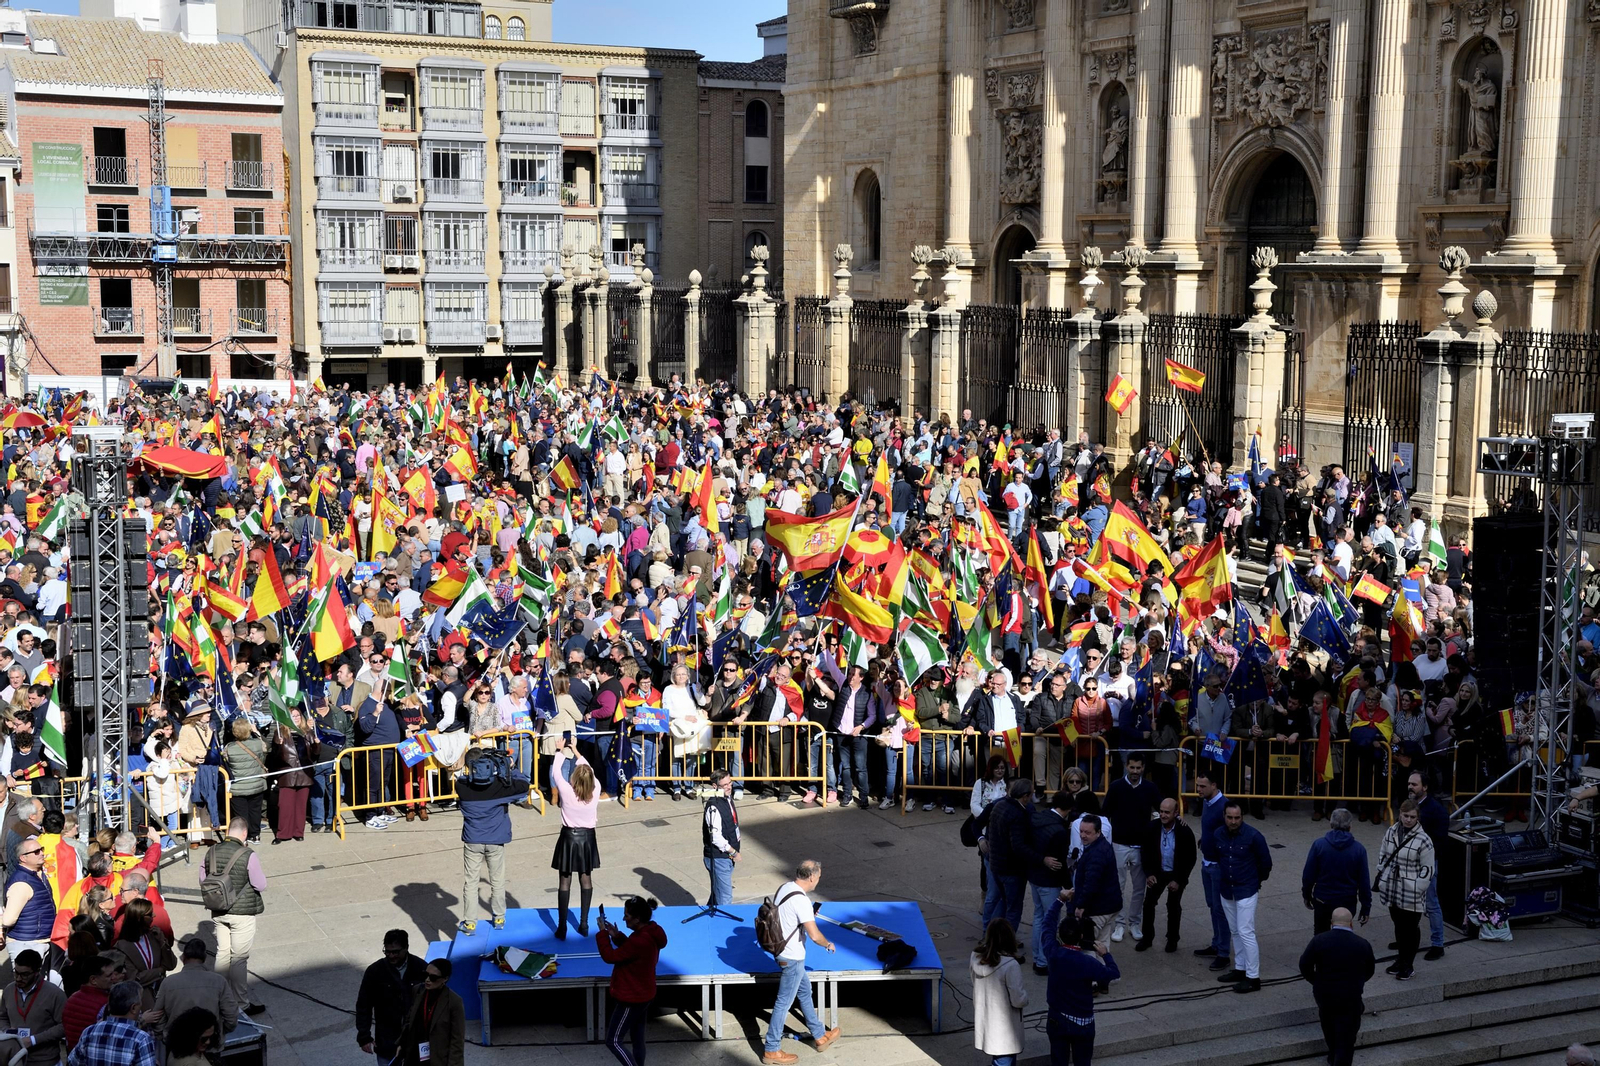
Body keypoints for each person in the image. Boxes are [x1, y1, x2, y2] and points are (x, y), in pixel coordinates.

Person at [761, 860, 839, 1065]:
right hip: (792, 957)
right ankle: (771, 1049)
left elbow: (785, 916)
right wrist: (827, 944)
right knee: (783, 1003)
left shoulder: (785, 888)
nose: (818, 880)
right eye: (819, 876)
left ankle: (820, 1035)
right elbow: (815, 936)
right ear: (812, 877)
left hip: (782, 952)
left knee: (805, 992)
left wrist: (804, 917)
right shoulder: (802, 901)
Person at [456, 747, 531, 935]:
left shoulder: (462, 786)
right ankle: (498, 917)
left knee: (470, 882)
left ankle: (470, 922)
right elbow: (523, 785)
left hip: (473, 840)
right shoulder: (499, 787)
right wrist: (510, 768)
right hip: (496, 840)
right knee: (497, 880)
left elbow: (464, 778)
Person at [1040, 894, 1119, 1066]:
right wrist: (1106, 955)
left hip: (1057, 1020)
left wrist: (1060, 900)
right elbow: (1113, 973)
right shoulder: (1088, 963)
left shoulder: (1053, 954)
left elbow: (1046, 925)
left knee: (1058, 1061)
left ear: (1060, 936)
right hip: (1083, 1024)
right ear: (1081, 936)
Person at [200, 816, 266, 1015]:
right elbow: (260, 884)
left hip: (219, 910)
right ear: (244, 833)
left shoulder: (210, 851)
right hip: (242, 913)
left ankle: (219, 997)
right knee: (238, 958)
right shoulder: (248, 854)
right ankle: (241, 1003)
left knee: (222, 953)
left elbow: (203, 880)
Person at [1297, 907, 1376, 1066]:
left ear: (1332, 923)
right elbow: (1370, 970)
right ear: (1351, 924)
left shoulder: (1319, 941)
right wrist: (1357, 982)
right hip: (1350, 996)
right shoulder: (1362, 944)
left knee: (1328, 1026)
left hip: (1325, 995)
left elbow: (1304, 965)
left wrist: (1317, 981)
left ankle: (1333, 1054)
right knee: (1347, 1037)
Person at [596, 896, 668, 1066]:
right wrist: (617, 935)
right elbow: (633, 950)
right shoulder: (651, 932)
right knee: (638, 1037)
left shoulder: (639, 941)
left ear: (637, 919)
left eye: (626, 916)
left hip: (632, 997)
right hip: (645, 993)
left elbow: (610, 956)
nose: (623, 918)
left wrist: (602, 934)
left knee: (613, 1041)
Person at [1100, 752, 1160, 944]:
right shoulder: (1116, 787)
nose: (1135, 771)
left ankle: (1134, 923)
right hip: (1118, 844)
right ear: (1126, 766)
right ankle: (1119, 924)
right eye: (1132, 767)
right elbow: (1105, 815)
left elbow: (1162, 809)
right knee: (1118, 887)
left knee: (1139, 889)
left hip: (1141, 847)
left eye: (1139, 768)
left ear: (1143, 768)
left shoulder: (1150, 788)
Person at [1214, 801, 1272, 993]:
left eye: (1237, 818)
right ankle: (1240, 968)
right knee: (1235, 930)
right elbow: (1217, 857)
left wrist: (1255, 882)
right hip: (1227, 889)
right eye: (1230, 817)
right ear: (1224, 816)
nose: (1233, 821)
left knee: (1246, 932)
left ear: (1242, 817)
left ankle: (1253, 977)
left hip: (1246, 889)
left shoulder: (1254, 836)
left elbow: (1266, 864)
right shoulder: (1218, 834)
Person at [1375, 798, 1435, 981]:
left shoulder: (1424, 840)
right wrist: (1382, 872)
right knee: (1399, 927)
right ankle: (1401, 960)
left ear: (1418, 818)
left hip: (1411, 893)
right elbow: (1383, 854)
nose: (1408, 820)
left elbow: (1427, 870)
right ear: (1400, 814)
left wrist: (1416, 888)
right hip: (1393, 889)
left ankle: (1408, 964)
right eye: (1405, 816)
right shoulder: (1391, 831)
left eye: (1412, 817)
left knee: (1410, 929)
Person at [1063, 815, 1120, 994]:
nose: (1083, 835)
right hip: (1109, 905)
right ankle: (1103, 980)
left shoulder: (1096, 853)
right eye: (1081, 831)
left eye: (1087, 832)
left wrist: (1080, 906)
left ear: (1098, 832)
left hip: (1097, 908)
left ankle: (1093, 983)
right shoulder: (1101, 846)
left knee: (1087, 945)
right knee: (1102, 942)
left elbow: (1091, 883)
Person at [551, 741, 600, 940]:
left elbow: (556, 772)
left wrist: (560, 750)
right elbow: (591, 772)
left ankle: (562, 927)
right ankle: (584, 923)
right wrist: (577, 751)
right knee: (585, 877)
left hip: (569, 837)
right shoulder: (595, 790)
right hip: (587, 838)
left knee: (565, 880)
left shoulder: (566, 790)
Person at [357, 930, 428, 1066]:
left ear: (406, 948)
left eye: (395, 952)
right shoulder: (375, 971)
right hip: (387, 1039)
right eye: (387, 952)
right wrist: (364, 1036)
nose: (391, 956)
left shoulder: (421, 968)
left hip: (416, 1038)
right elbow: (363, 1005)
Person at [1020, 792, 1072, 974]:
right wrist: (1068, 885)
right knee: (1050, 921)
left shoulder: (1037, 818)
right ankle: (1043, 961)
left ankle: (1038, 957)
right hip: (1049, 882)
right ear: (1068, 810)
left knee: (1039, 917)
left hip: (1034, 876)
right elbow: (1060, 863)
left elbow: (1025, 846)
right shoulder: (1059, 831)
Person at [1136, 797, 1195, 953]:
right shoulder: (1152, 828)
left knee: (1173, 906)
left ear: (1176, 813)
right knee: (1148, 904)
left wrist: (1179, 880)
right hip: (1158, 873)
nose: (1163, 815)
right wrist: (1149, 874)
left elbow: (1190, 858)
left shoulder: (1184, 831)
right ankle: (1147, 938)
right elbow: (1145, 852)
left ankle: (1172, 939)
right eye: (1161, 811)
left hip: (1176, 874)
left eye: (1167, 812)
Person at [1301, 808, 1373, 934]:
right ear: (1350, 825)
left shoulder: (1319, 845)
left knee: (1321, 935)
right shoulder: (1358, 849)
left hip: (1322, 900)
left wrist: (1307, 895)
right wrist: (1366, 907)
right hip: (1346, 901)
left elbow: (1308, 875)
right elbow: (1364, 882)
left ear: (1331, 823)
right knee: (1344, 937)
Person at [151, 938, 238, 1042]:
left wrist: (166, 1037)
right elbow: (231, 1016)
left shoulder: (168, 983)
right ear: (204, 958)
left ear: (183, 958)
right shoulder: (219, 981)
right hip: (210, 1043)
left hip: (178, 1045)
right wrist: (218, 1033)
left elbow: (157, 1017)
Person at [980, 778, 1033, 940]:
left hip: (997, 866)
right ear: (1025, 796)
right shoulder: (1018, 814)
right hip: (1012, 870)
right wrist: (1039, 858)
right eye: (1031, 794)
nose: (1032, 798)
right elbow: (1018, 846)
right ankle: (1005, 945)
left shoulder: (999, 806)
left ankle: (990, 938)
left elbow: (992, 835)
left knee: (1002, 903)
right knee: (1014, 909)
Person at [969, 918, 1027, 1066]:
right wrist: (1025, 997)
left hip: (986, 1020)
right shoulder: (1011, 965)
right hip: (1005, 1028)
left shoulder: (975, 957)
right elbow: (1018, 1000)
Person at [1192, 771, 1232, 971]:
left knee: (1220, 909)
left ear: (1214, 785)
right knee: (1212, 906)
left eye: (1202, 786)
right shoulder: (1208, 803)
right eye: (1198, 785)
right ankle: (1216, 943)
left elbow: (1231, 834)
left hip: (1217, 866)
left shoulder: (1224, 806)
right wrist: (1205, 839)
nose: (1198, 789)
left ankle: (1223, 953)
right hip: (1207, 863)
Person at [65, 979, 157, 1066]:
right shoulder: (141, 1039)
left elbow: (73, 1063)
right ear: (133, 1008)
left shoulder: (89, 1032)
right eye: (141, 1001)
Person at [1407, 771, 1449, 961]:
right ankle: (1406, 939)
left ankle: (1437, 944)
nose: (1410, 787)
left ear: (1425, 787)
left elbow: (1440, 840)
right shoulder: (1408, 805)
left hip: (1427, 864)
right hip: (1408, 863)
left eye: (1414, 784)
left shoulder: (1436, 810)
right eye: (1409, 783)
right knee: (1406, 903)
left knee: (1431, 904)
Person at [0, 948, 66, 1066]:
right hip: (16, 1059)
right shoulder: (9, 990)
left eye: (25, 974)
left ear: (37, 972)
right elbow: (2, 1017)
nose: (19, 978)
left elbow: (63, 1026)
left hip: (45, 1061)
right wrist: (7, 1032)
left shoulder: (55, 994)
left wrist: (33, 1040)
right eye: (16, 972)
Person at [2, 834, 56, 962]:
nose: (42, 853)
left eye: (41, 849)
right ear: (23, 858)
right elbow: (8, 920)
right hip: (26, 943)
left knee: (39, 982)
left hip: (38, 940)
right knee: (25, 981)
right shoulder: (21, 883)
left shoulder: (38, 875)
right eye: (36, 852)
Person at [401, 958, 464, 1066]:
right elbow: (409, 1020)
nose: (427, 980)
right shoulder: (418, 990)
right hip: (414, 1056)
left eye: (433, 977)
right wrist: (401, 1043)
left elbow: (457, 1040)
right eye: (425, 975)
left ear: (445, 979)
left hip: (438, 1059)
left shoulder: (454, 1002)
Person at [110, 899, 174, 994]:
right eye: (150, 914)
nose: (154, 916)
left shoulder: (155, 936)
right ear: (139, 918)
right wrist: (160, 971)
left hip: (160, 992)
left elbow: (171, 964)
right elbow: (134, 977)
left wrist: (163, 942)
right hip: (140, 997)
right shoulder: (122, 946)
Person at [62, 954, 125, 1050]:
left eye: (113, 973)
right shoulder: (106, 1004)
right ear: (93, 979)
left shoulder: (72, 999)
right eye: (109, 975)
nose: (113, 978)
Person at [702, 768, 740, 907]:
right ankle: (723, 925)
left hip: (726, 856)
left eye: (730, 783)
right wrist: (733, 852)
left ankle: (710, 914)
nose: (729, 787)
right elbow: (715, 837)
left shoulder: (727, 798)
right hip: (718, 857)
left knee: (717, 892)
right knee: (725, 896)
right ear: (715, 786)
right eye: (725, 785)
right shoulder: (714, 806)